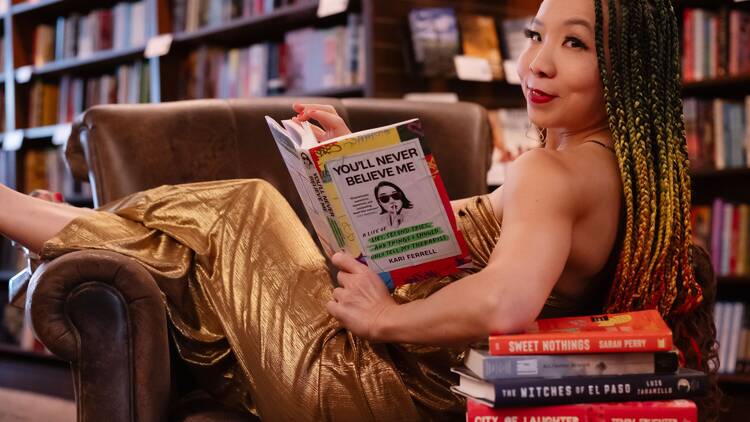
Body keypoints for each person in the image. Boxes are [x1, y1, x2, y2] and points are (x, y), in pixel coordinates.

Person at [0, 0, 718, 420]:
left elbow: (505, 303)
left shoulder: (553, 174)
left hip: (381, 385)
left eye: (575, 44)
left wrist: (383, 318)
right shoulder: (624, 171)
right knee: (198, 248)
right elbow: (454, 234)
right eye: (535, 34)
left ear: (625, 70)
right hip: (419, 384)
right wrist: (358, 158)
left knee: (242, 210)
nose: (538, 61)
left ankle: (33, 218)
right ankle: (43, 219)